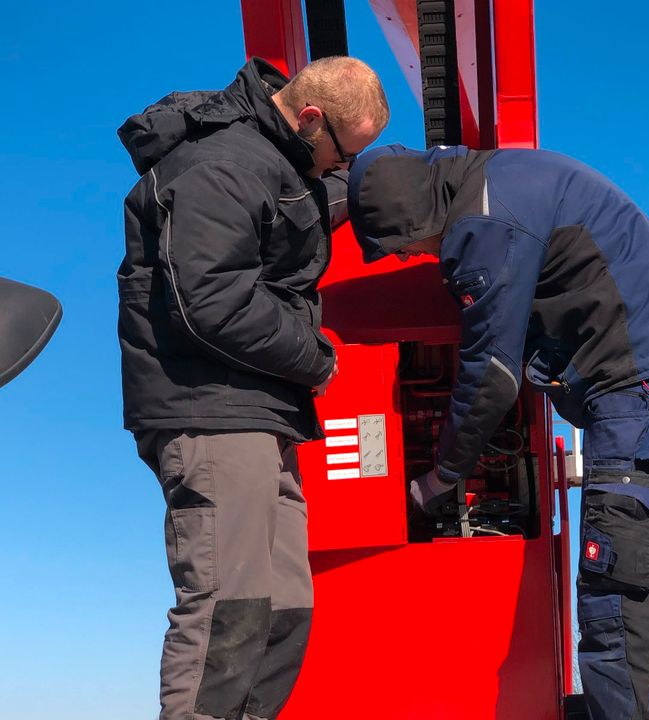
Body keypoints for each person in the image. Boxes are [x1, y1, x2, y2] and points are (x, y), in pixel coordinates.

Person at [347, 144, 649, 720]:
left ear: (418, 216)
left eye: (406, 247)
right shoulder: (508, 173)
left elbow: (491, 371)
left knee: (622, 622)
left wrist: (440, 476)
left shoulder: (483, 220)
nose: (414, 258)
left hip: (642, 412)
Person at [117, 57, 388, 720]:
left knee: (284, 611)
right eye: (342, 154)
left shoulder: (278, 159)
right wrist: (315, 358)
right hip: (210, 411)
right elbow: (207, 297)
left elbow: (302, 202)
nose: (338, 168)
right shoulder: (223, 164)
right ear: (310, 118)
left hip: (260, 415)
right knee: (227, 613)